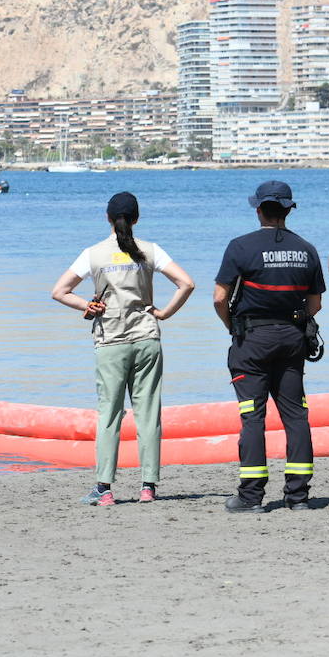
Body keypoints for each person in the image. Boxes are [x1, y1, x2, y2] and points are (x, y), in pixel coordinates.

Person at [51, 191, 195, 506]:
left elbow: (59, 291)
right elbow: (187, 283)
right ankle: (148, 487)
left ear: (107, 218)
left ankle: (105, 489)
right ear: (136, 218)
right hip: (147, 339)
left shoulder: (93, 254)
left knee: (109, 415)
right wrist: (164, 313)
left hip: (111, 341)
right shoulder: (150, 250)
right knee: (148, 414)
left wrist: (85, 305)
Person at [212, 181, 325, 513]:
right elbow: (315, 303)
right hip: (292, 340)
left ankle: (250, 497)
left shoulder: (240, 247)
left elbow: (220, 297)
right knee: (296, 415)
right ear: (288, 210)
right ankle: (298, 496)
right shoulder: (306, 249)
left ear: (258, 209)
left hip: (251, 341)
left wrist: (232, 325)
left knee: (252, 418)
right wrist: (293, 319)